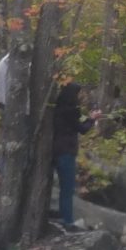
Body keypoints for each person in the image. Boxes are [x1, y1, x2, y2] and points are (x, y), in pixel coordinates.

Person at [46, 78, 84, 228]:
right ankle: (67, 220)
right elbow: (82, 128)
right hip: (66, 152)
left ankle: (62, 217)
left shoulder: (57, 109)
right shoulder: (71, 110)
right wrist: (92, 119)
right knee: (67, 189)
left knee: (61, 187)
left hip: (55, 151)